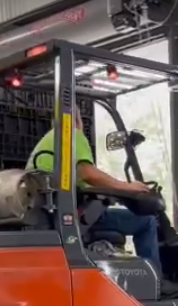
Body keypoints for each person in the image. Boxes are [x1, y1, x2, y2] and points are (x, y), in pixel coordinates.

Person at [26, 110, 161, 270]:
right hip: (70, 218)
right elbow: (87, 173)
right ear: (78, 120)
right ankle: (158, 280)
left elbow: (84, 184)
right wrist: (127, 187)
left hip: (53, 216)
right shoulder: (72, 134)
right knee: (147, 222)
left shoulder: (50, 142)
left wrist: (115, 192)